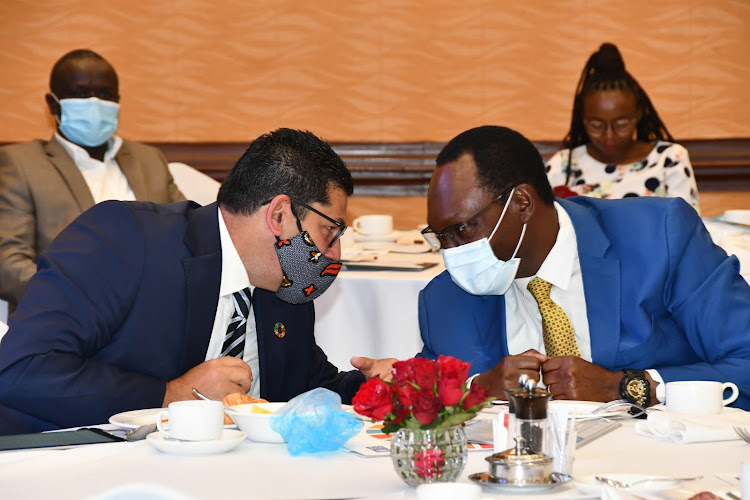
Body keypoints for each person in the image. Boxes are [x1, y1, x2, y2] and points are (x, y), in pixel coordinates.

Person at [0, 128, 385, 435]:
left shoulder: (284, 287)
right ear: (281, 215)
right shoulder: (124, 240)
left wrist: (374, 388)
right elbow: (21, 370)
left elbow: (301, 387)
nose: (333, 254)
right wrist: (171, 395)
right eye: (329, 232)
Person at [414, 125, 750, 410]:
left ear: (522, 204)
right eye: (439, 236)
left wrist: (623, 387)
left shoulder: (659, 238)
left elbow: (745, 361)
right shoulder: (445, 300)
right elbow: (423, 401)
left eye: (461, 230)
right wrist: (478, 390)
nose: (451, 252)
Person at [0, 49, 185, 313]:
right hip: (67, 316)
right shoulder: (20, 163)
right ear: (53, 104)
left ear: (118, 102)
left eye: (105, 95)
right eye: (81, 93)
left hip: (154, 313)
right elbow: (8, 262)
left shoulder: (149, 160)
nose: (95, 103)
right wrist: (78, 298)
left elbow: (189, 237)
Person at [545, 43, 700, 212]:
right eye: (597, 126)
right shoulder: (562, 166)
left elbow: (687, 229)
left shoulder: (669, 160)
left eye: (621, 124)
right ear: (582, 119)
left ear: (638, 114)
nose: (609, 136)